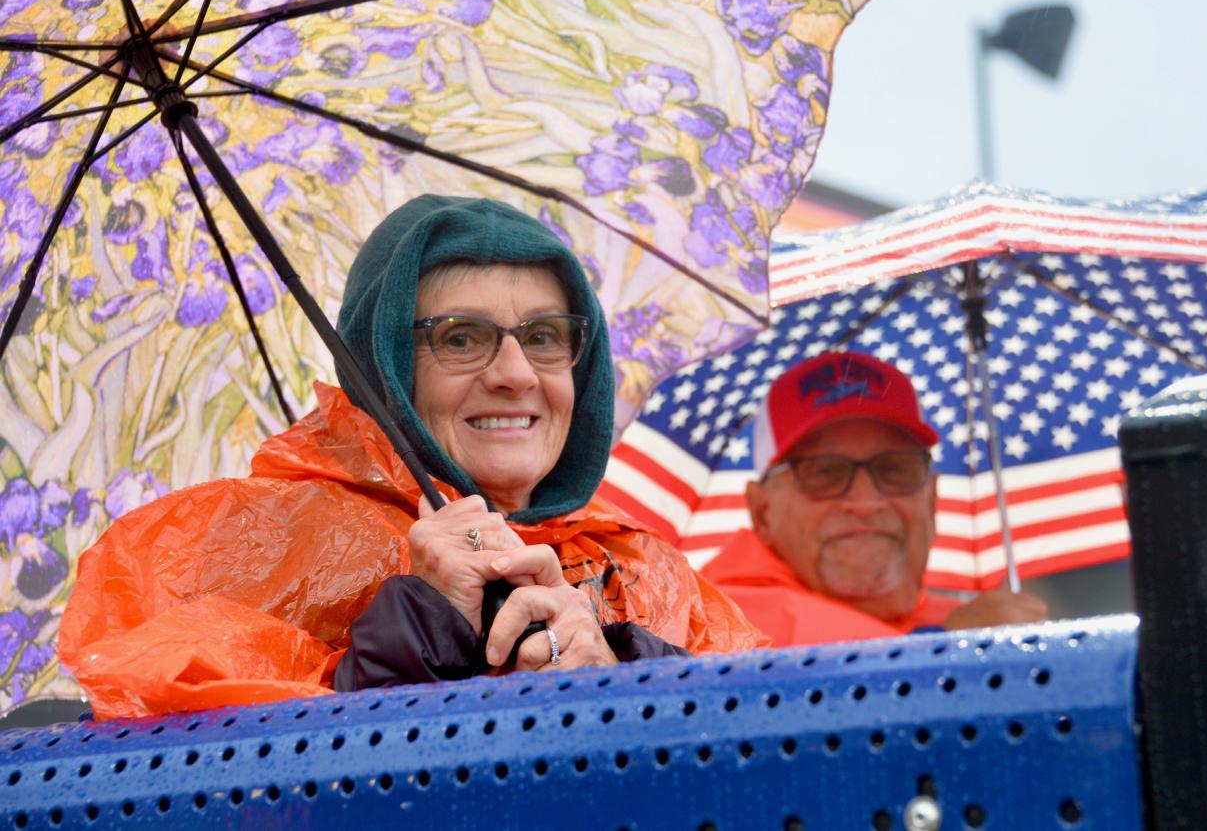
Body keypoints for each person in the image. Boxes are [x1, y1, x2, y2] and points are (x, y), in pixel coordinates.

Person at [59, 195, 765, 720]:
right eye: (461, 339)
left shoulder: (647, 567)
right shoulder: (224, 543)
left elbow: (766, 746)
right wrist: (423, 628)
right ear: (385, 364)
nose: (517, 374)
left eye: (546, 336)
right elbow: (202, 785)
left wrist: (620, 672)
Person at [701, 350, 1047, 646]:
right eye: (823, 472)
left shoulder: (979, 622)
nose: (867, 503)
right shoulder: (710, 625)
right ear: (761, 511)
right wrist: (951, 653)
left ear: (932, 501)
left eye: (896, 469)